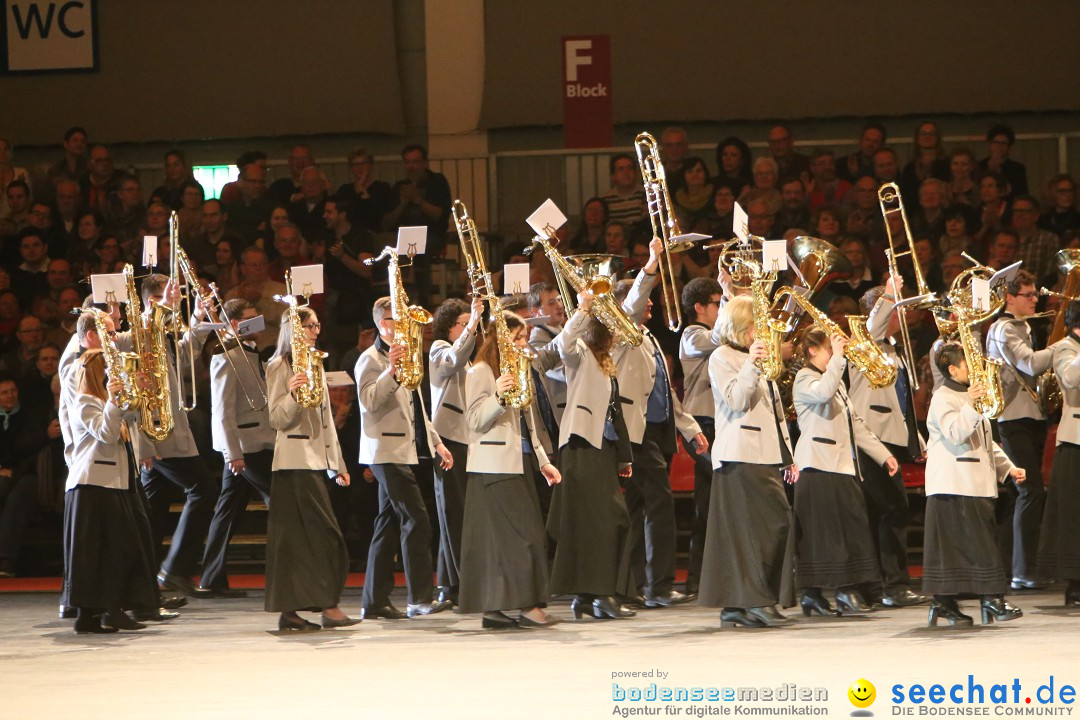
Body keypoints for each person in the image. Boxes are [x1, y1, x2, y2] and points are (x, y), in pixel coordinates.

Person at [612, 242, 707, 608]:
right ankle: (659, 585)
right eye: (645, 298)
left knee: (638, 506)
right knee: (659, 503)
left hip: (657, 430)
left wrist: (689, 428)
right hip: (636, 432)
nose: (650, 303)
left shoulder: (648, 336)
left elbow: (665, 391)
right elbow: (634, 302)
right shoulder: (622, 331)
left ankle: (634, 585)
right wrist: (651, 266)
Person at [459, 312, 561, 629]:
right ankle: (527, 606)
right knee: (522, 537)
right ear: (499, 339)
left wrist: (543, 460)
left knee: (504, 541)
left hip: (518, 464)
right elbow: (474, 420)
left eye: (522, 337)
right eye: (516, 338)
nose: (522, 343)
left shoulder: (516, 369)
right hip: (492, 468)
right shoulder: (480, 371)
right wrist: (500, 396)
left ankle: (495, 608)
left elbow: (530, 424)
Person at [699, 295, 796, 628]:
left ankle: (740, 604)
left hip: (765, 454)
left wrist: (788, 456)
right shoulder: (722, 357)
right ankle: (752, 600)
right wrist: (751, 364)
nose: (765, 331)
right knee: (751, 532)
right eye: (759, 324)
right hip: (739, 452)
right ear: (744, 326)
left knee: (773, 525)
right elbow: (736, 400)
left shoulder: (756, 358)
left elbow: (775, 412)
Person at [356, 295, 453, 620]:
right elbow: (368, 401)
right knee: (417, 519)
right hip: (384, 451)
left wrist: (436, 442)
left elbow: (417, 406)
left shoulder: (406, 356)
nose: (402, 327)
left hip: (404, 448)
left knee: (387, 523)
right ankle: (419, 599)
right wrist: (393, 372)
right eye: (395, 321)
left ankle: (374, 601)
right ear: (382, 324)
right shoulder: (369, 359)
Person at [791, 328, 898, 617]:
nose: (836, 353)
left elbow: (855, 423)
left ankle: (820, 594)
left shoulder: (834, 382)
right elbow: (822, 394)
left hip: (840, 466)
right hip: (817, 466)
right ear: (812, 350)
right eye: (829, 348)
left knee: (848, 529)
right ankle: (841, 591)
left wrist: (882, 454)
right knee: (827, 534)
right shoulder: (805, 379)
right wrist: (838, 358)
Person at [265, 303, 358, 631]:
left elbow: (326, 422)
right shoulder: (279, 366)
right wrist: (292, 394)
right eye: (309, 326)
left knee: (313, 540)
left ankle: (298, 611)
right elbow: (277, 419)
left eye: (317, 326)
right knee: (314, 538)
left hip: (315, 463)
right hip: (292, 463)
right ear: (294, 329)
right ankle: (324, 608)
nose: (316, 331)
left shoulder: (316, 365)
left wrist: (338, 464)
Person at [547, 290, 636, 620]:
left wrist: (624, 456)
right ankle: (600, 595)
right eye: (612, 330)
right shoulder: (581, 353)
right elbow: (564, 344)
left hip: (602, 449)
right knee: (603, 521)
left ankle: (588, 596)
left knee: (597, 523)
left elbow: (615, 411)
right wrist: (583, 307)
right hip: (581, 447)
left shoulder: (607, 362)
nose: (616, 335)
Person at [923, 343, 1024, 626]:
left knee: (970, 544)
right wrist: (972, 404)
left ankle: (946, 602)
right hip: (953, 484)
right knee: (972, 546)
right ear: (953, 370)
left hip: (971, 485)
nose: (975, 370)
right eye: (969, 365)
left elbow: (985, 442)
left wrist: (1008, 468)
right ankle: (990, 599)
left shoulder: (967, 397)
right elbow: (956, 433)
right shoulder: (943, 397)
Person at [60, 348, 158, 633]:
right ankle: (98, 612)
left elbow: (128, 419)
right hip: (92, 484)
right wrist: (114, 401)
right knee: (98, 553)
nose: (113, 374)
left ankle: (101, 613)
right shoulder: (85, 401)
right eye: (107, 368)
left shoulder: (103, 401)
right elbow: (105, 433)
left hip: (111, 484)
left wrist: (137, 393)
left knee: (111, 551)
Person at [136, 275, 220, 597]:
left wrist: (198, 316)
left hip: (166, 430)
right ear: (154, 301)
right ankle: (172, 569)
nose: (176, 306)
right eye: (171, 299)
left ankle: (147, 582)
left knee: (154, 507)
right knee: (203, 489)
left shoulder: (162, 332)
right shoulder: (145, 329)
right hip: (158, 431)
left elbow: (184, 353)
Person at [854, 276, 929, 606]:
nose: (900, 316)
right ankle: (893, 586)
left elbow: (901, 403)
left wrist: (919, 442)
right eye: (893, 310)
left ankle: (876, 586)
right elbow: (874, 326)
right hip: (870, 438)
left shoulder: (893, 349)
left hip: (890, 438)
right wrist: (888, 292)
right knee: (892, 509)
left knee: (880, 512)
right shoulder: (864, 343)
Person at [195, 299, 273, 598]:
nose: (256, 324)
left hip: (257, 441)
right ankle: (287, 571)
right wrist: (233, 453)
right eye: (249, 320)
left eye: (257, 318)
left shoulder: (253, 354)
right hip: (246, 447)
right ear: (233, 324)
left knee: (228, 511)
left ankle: (210, 578)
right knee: (279, 502)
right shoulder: (225, 356)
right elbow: (222, 410)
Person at [985, 270, 1053, 589]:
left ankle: (1010, 569)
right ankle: (1023, 571)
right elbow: (1030, 364)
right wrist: (1064, 347)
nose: (1035, 299)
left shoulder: (1022, 325)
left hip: (1030, 416)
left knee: (1017, 496)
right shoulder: (1003, 329)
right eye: (1028, 295)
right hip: (1012, 419)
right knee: (1029, 491)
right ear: (1009, 298)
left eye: (1035, 294)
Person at [428, 296, 484, 605]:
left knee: (458, 512)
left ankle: (449, 586)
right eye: (462, 325)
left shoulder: (467, 355)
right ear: (450, 328)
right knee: (453, 512)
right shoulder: (439, 349)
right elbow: (454, 360)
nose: (469, 331)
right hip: (447, 438)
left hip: (465, 438)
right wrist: (474, 322)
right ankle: (463, 585)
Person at [678, 275, 727, 595]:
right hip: (701, 423)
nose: (721, 309)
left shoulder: (717, 334)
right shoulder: (692, 334)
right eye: (717, 303)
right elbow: (711, 341)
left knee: (712, 500)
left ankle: (708, 577)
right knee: (711, 499)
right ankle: (699, 578)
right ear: (699, 307)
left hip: (719, 421)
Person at [1037, 300, 1080, 607]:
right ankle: (1075, 583)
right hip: (1076, 440)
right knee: (1074, 517)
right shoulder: (1065, 348)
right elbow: (1070, 378)